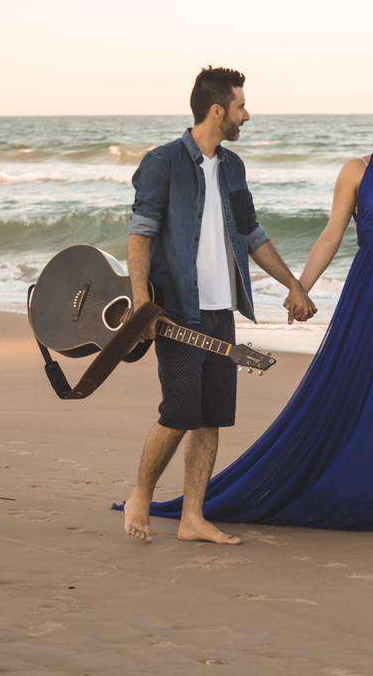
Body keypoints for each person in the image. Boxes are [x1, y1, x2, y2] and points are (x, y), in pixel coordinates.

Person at [146, 89, 373, 537]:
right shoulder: (358, 171)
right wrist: (300, 288)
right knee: (365, 395)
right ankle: (359, 492)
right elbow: (331, 236)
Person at [120, 66, 316, 545]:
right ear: (216, 110)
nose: (245, 115)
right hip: (177, 309)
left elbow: (251, 235)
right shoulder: (162, 162)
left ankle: (192, 516)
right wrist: (142, 304)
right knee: (179, 411)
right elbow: (140, 237)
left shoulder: (232, 167)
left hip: (220, 310)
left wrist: (293, 284)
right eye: (240, 106)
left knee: (211, 416)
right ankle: (141, 494)